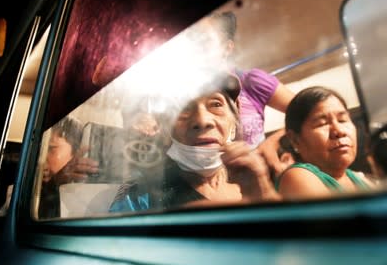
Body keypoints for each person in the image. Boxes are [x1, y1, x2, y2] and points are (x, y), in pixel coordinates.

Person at [109, 71, 281, 212]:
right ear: (165, 125)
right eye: (182, 108)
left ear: (235, 116)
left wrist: (263, 194)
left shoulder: (256, 178)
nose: (202, 120)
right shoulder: (140, 197)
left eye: (216, 104)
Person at [186, 11, 296, 179]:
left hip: (258, 181)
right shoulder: (182, 94)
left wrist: (273, 142)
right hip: (209, 187)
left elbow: (308, 111)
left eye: (204, 41)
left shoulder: (251, 81)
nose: (196, 48)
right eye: (192, 41)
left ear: (227, 47)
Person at [276, 86, 377, 199]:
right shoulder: (298, 176)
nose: (339, 131)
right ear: (295, 140)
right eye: (322, 123)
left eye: (342, 120)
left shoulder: (358, 178)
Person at [39, 116, 99, 218]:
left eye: (51, 148)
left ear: (76, 152)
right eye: (40, 150)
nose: (41, 159)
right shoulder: (21, 191)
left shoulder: (90, 196)